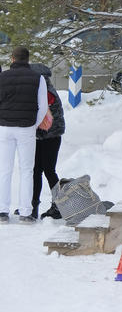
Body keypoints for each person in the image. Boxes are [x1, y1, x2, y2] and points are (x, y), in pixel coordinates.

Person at [0, 47, 48, 223]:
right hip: (26, 128)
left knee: (4, 169)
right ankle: (26, 212)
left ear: (12, 59)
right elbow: (42, 106)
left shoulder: (2, 77)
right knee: (27, 170)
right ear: (28, 60)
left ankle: (2, 211)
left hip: (4, 127)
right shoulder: (38, 78)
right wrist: (33, 124)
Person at [30, 63, 64, 220]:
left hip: (50, 136)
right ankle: (33, 205)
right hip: (42, 136)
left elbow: (41, 113)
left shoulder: (47, 93)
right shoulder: (44, 90)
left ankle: (58, 205)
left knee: (48, 170)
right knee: (36, 170)